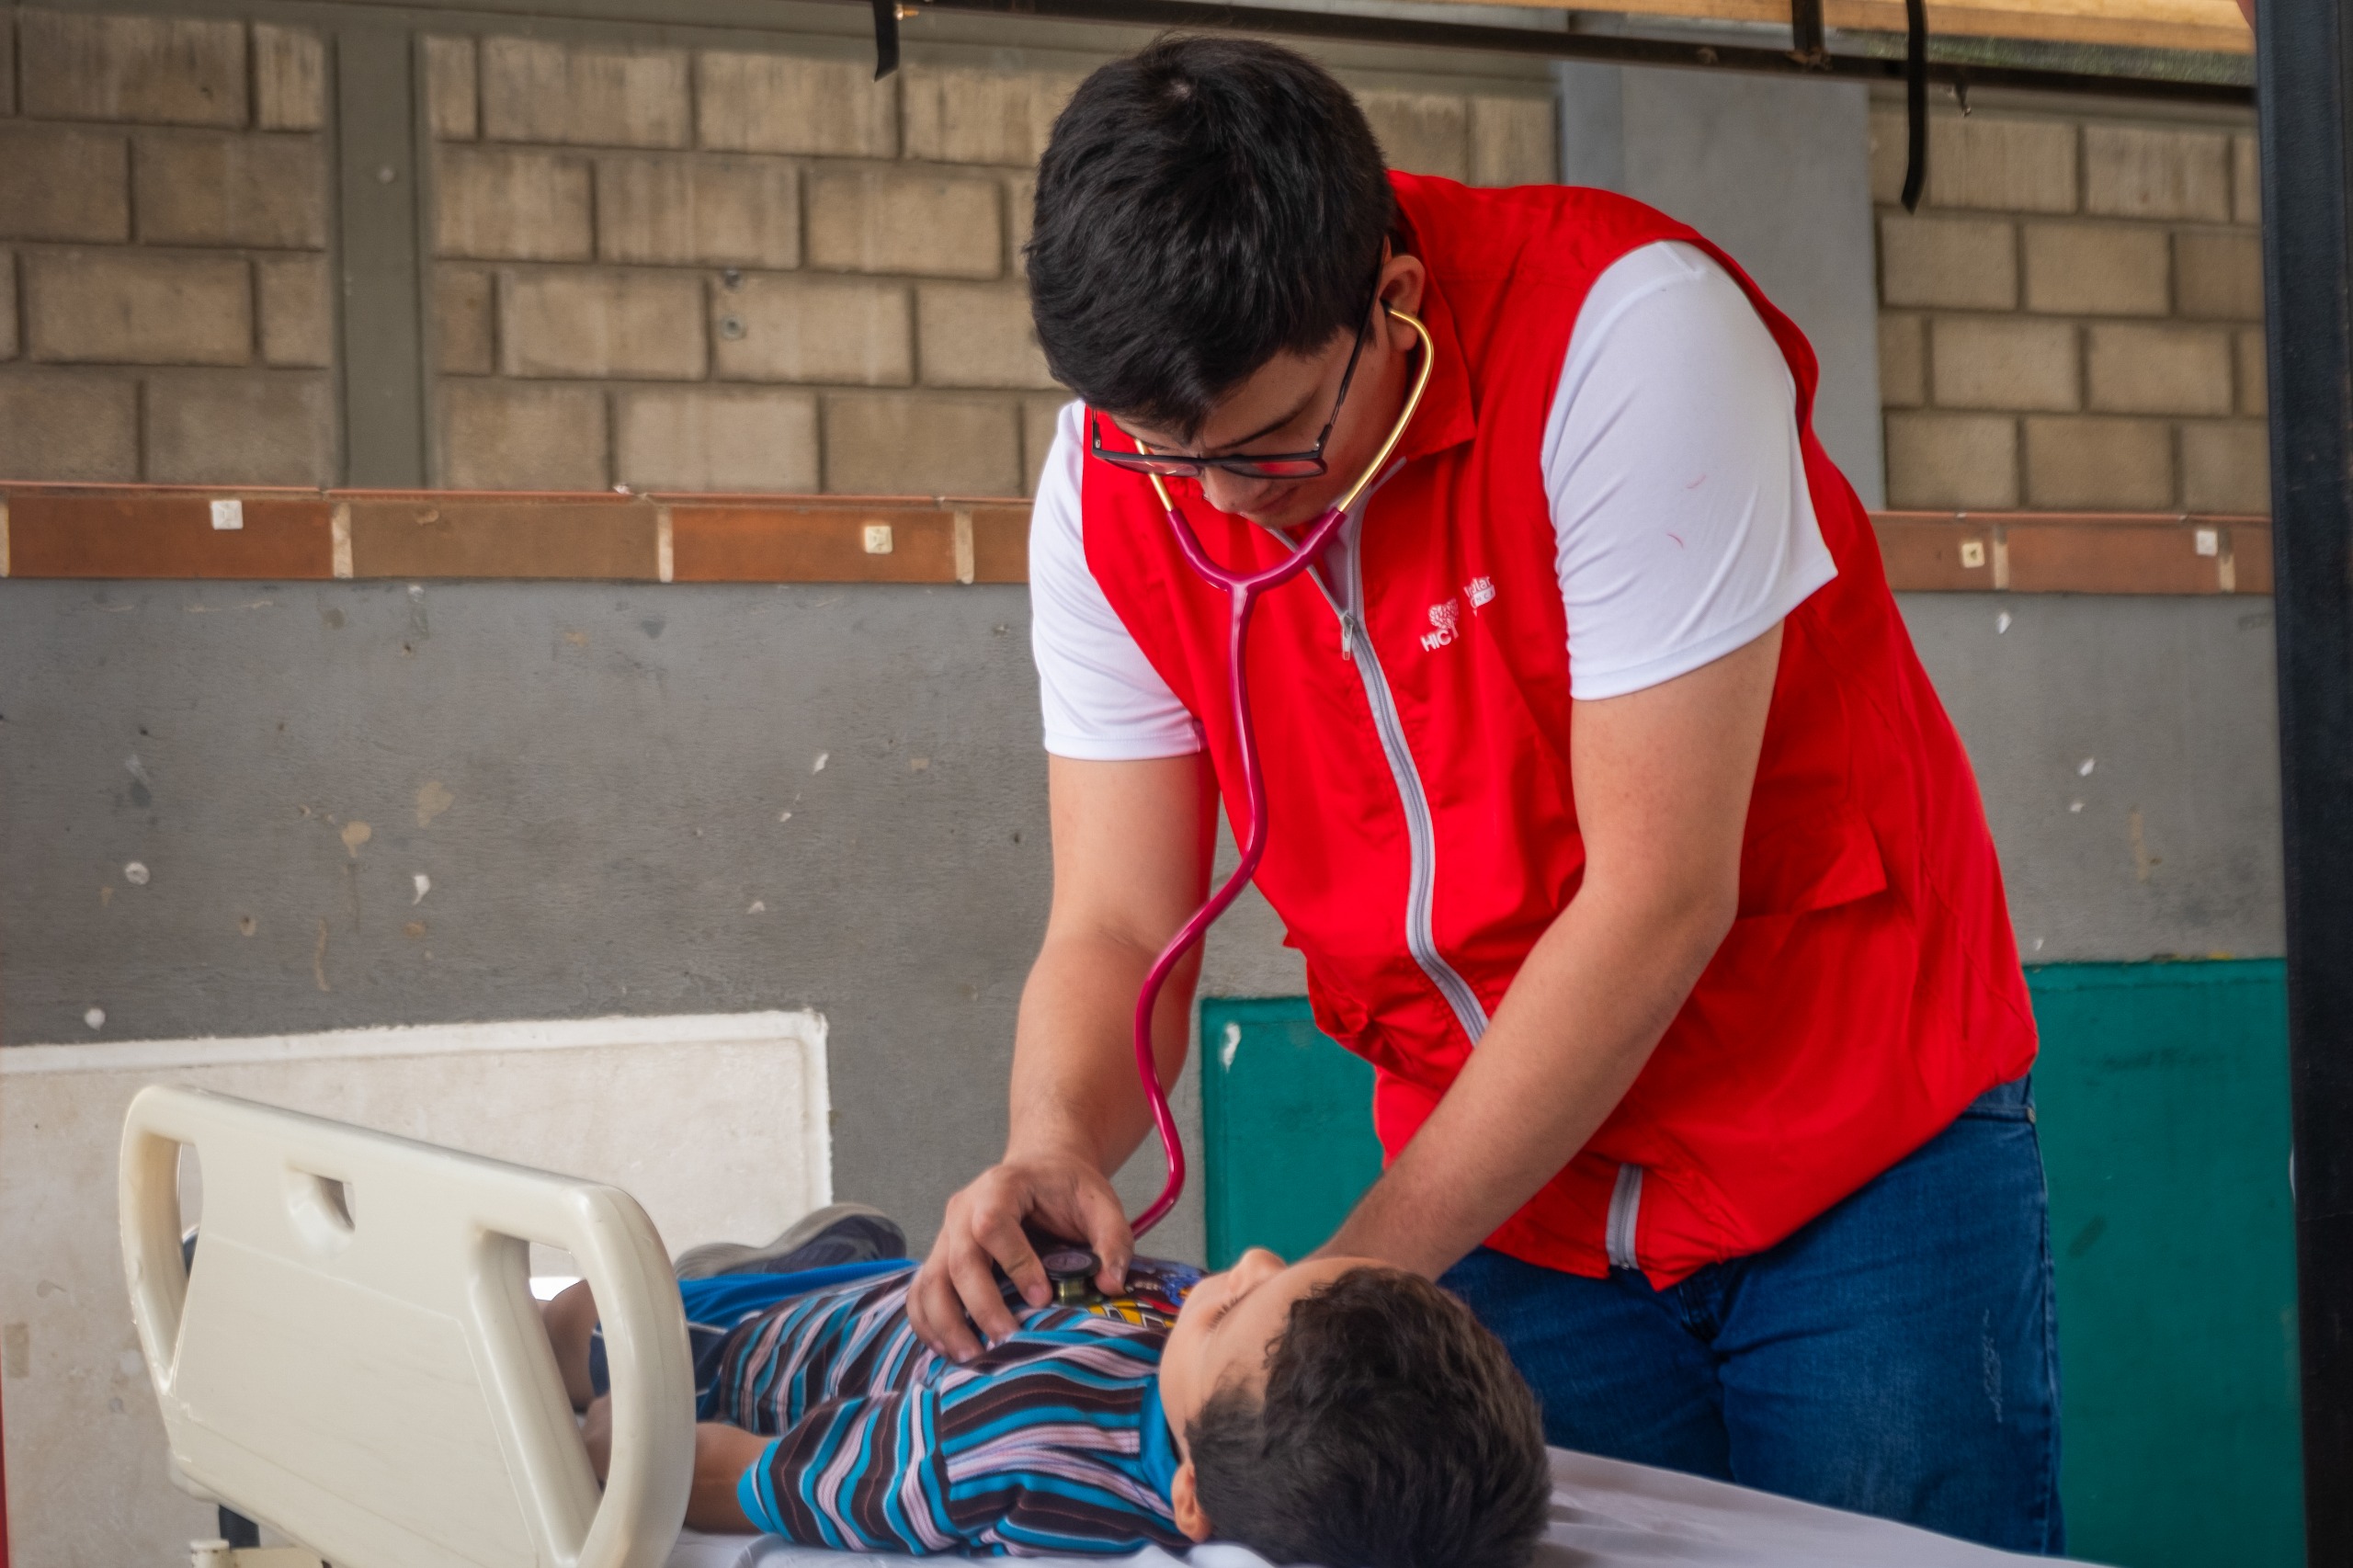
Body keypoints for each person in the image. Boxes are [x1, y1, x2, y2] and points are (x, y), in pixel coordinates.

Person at [911, 35, 2061, 1556]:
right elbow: (1120, 919)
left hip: (1850, 1153)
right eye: (1164, 457)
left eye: (1273, 445)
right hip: (1515, 1197)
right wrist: (1056, 1136)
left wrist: (1351, 1287)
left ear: (1391, 298)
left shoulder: (1627, 339)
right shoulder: (1114, 484)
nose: (1224, 504)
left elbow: (1656, 899)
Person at [543, 1241, 1550, 1564]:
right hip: (992, 1282)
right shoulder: (1258, 1419)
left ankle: (739, 1277)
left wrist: (619, 1443)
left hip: (801, 1352)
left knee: (584, 1335)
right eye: (1277, 1267)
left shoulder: (1021, 1435)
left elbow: (770, 1476)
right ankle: (821, 1248)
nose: (1245, 1259)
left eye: (1231, 1304)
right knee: (858, 1252)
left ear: (1190, 1497)